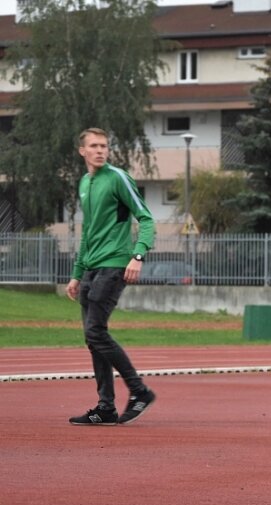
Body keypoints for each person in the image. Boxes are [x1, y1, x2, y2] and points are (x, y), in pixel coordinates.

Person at [66, 128, 156, 426]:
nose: (100, 150)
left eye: (104, 145)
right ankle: (106, 406)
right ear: (82, 151)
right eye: (94, 146)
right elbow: (89, 233)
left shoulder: (117, 177)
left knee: (95, 332)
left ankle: (140, 391)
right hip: (91, 267)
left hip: (115, 263)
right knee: (93, 339)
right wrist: (77, 275)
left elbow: (145, 217)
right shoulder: (85, 183)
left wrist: (138, 255)